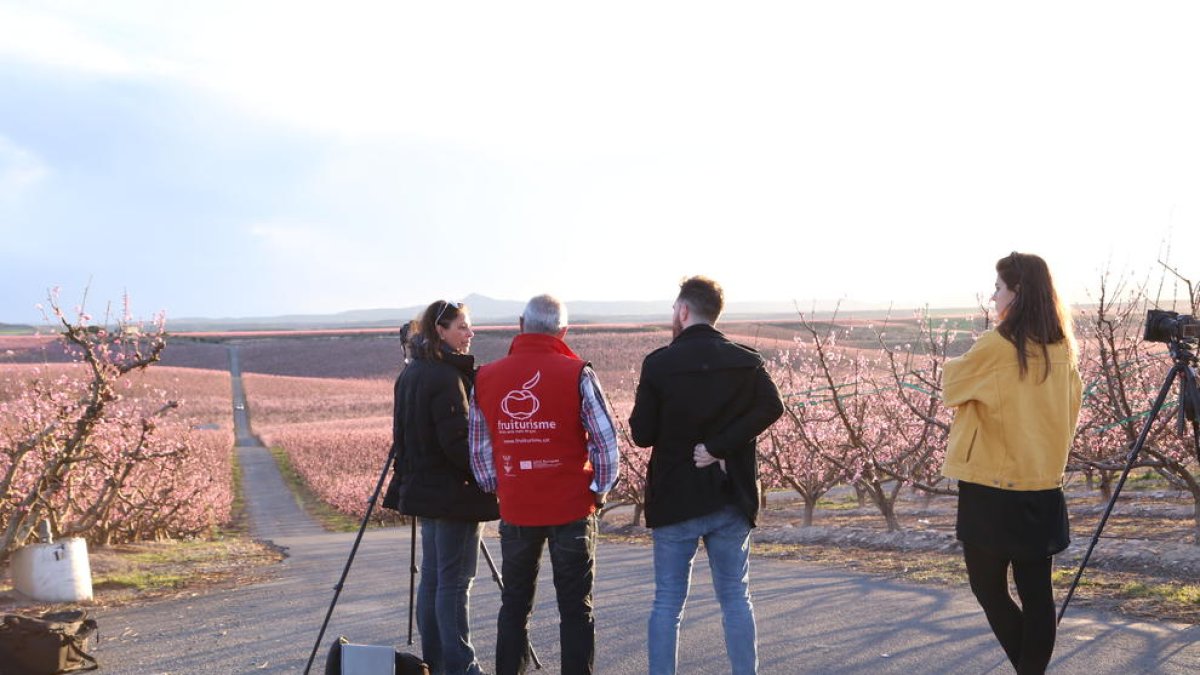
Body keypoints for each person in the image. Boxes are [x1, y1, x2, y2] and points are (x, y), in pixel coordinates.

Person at [628, 276, 784, 675]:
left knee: (667, 603)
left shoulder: (659, 363)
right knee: (735, 597)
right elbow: (773, 407)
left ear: (683, 311)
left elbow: (642, 435)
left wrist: (702, 441)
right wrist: (721, 445)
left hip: (675, 496)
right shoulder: (746, 360)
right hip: (730, 495)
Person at [941, 252, 1083, 674]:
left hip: (992, 488)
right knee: (1037, 592)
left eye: (998, 288)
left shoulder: (997, 346)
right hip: (1042, 485)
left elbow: (952, 387)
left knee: (988, 588)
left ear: (1016, 293)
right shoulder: (1065, 350)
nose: (993, 296)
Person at [468, 294, 620, 675]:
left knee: (515, 604)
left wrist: (497, 486)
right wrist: (600, 488)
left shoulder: (485, 377)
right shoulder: (577, 373)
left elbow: (479, 444)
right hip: (571, 507)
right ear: (563, 331)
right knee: (575, 607)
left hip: (518, 508)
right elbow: (606, 440)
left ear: (521, 324)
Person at [384, 300, 499, 675]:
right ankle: (461, 666)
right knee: (454, 583)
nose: (470, 334)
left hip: (426, 492)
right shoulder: (446, 378)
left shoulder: (413, 372)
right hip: (454, 495)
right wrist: (491, 475)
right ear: (441, 331)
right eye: (462, 327)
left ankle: (435, 662)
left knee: (433, 579)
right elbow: (459, 445)